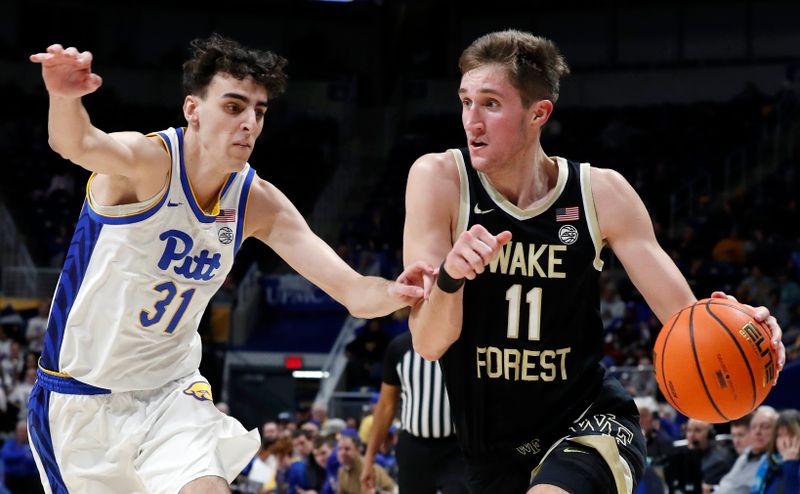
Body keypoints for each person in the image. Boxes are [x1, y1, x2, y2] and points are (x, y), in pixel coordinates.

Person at [27, 35, 432, 494]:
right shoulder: (147, 163)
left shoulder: (256, 202)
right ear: (192, 110)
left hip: (170, 390)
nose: (249, 124)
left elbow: (356, 293)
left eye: (259, 112)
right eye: (234, 107)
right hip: (82, 399)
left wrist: (400, 291)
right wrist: (63, 96)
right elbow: (74, 142)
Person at [402, 29, 786, 494]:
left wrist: (747, 335)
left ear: (538, 113)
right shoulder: (438, 179)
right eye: (465, 101)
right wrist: (451, 278)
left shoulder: (600, 193)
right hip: (492, 448)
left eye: (490, 103)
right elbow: (427, 341)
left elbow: (684, 319)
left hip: (589, 420)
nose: (471, 121)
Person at [360, 331, 469, 494]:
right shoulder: (399, 347)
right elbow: (386, 406)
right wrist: (369, 459)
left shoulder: (467, 344)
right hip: (413, 447)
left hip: (457, 448)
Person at [715, 406, 779, 494]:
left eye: (765, 427)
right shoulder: (745, 455)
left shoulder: (777, 462)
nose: (757, 432)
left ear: (778, 432)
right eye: (754, 427)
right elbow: (726, 485)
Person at [751, 409, 800, 494]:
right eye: (780, 435)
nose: (785, 441)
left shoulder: (794, 467)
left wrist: (791, 463)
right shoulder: (768, 464)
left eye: (791, 435)